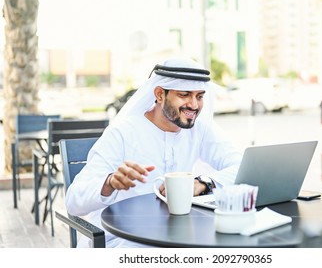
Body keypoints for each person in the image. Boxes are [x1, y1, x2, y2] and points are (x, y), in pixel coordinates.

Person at [65, 57, 243, 247]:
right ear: (159, 94)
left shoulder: (200, 129)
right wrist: (109, 183)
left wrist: (202, 183)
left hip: (177, 236)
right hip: (121, 240)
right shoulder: (123, 133)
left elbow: (242, 167)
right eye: (184, 95)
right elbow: (74, 201)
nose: (194, 105)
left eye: (199, 96)